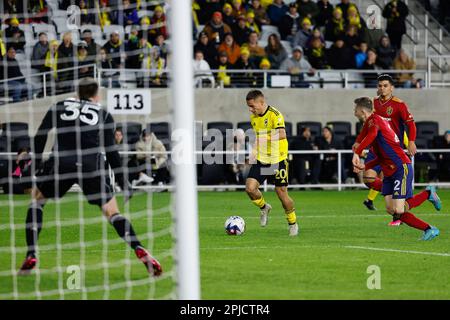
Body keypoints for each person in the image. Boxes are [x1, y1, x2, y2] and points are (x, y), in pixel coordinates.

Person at [17, 78, 162, 275]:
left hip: (62, 163)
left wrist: (34, 162)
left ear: (77, 92)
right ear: (96, 95)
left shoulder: (60, 105)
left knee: (37, 201)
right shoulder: (103, 113)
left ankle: (31, 253)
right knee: (113, 213)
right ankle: (138, 248)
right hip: (91, 166)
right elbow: (111, 151)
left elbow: (42, 135)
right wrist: (123, 182)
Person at [353, 74, 441, 222]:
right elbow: (368, 126)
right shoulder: (373, 104)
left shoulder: (399, 105)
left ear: (392, 88)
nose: (382, 88)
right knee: (368, 179)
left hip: (392, 149)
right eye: (380, 86)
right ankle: (397, 199)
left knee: (394, 199)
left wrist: (411, 141)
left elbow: (411, 124)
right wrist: (358, 141)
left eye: (385, 85)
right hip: (376, 149)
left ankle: (400, 207)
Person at [244, 90, 299, 236]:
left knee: (281, 193)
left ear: (261, 102)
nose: (250, 109)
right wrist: (254, 152)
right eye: (249, 107)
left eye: (252, 106)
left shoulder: (275, 114)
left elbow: (282, 134)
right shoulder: (254, 118)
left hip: (278, 158)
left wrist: (264, 138)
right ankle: (264, 207)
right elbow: (258, 138)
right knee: (250, 188)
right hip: (262, 158)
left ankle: (292, 223)